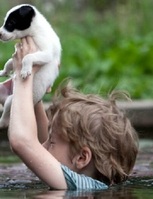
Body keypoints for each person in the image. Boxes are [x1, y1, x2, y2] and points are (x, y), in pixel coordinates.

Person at [6, 37, 139, 189]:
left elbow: (22, 142)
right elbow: (41, 143)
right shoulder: (87, 182)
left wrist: (22, 74)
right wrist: (36, 90)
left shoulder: (80, 185)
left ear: (82, 158)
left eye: (52, 143)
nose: (42, 146)